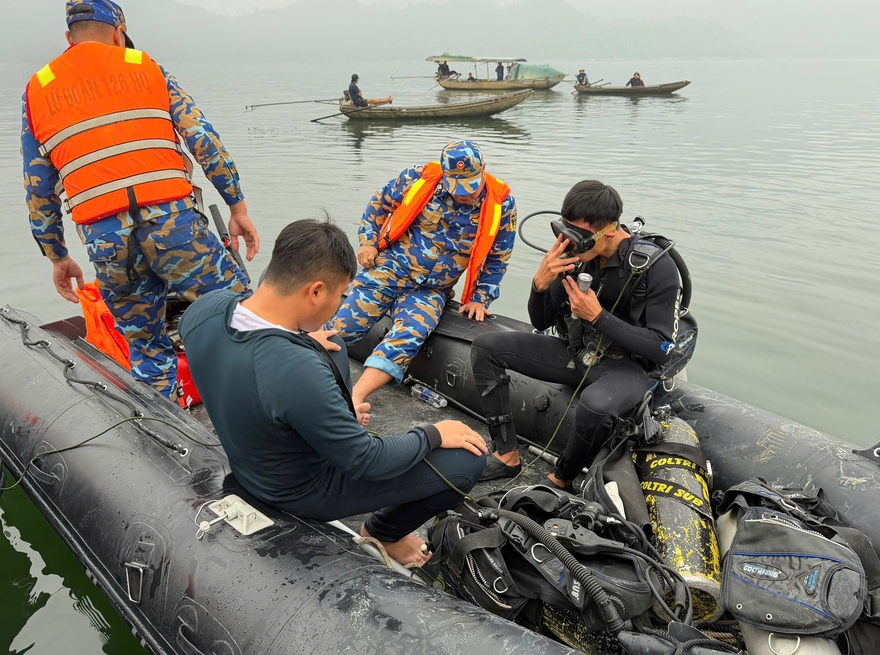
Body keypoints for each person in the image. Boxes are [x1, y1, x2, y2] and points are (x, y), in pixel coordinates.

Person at [178, 218, 488, 566]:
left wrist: (311, 368)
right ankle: (384, 533)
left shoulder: (204, 311)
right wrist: (432, 434)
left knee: (333, 345)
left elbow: (246, 367)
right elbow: (365, 459)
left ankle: (330, 422)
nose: (341, 304)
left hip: (252, 454)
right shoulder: (296, 370)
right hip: (298, 490)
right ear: (316, 291)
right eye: (341, 295)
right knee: (467, 459)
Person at [21, 0, 259, 400]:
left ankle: (169, 439)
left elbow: (36, 186)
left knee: (147, 347)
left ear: (68, 38)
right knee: (243, 316)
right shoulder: (147, 68)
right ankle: (271, 408)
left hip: (105, 239)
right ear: (119, 34)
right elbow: (204, 141)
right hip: (174, 223)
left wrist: (57, 255)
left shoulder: (37, 91)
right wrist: (237, 206)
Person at [470, 180, 683, 485]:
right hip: (578, 353)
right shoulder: (576, 258)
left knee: (594, 404)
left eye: (578, 235)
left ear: (608, 229)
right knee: (486, 347)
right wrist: (540, 285)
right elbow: (541, 321)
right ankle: (507, 455)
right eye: (563, 230)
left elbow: (663, 348)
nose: (567, 242)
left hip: (628, 368)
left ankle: (561, 478)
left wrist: (598, 316)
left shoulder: (656, 268)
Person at [328, 140, 516, 409]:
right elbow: (378, 204)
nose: (465, 195)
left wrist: (480, 298)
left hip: (431, 290)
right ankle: (306, 374)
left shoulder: (502, 203)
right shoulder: (418, 179)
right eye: (457, 188)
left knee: (409, 336)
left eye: (470, 187)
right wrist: (368, 242)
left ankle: (354, 398)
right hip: (390, 268)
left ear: (483, 169)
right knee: (342, 328)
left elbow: (498, 258)